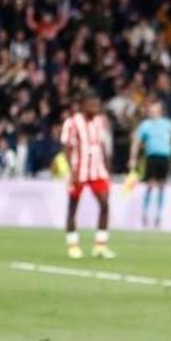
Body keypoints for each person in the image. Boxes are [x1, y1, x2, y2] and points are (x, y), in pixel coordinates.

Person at [60, 93, 115, 259]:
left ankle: (100, 245)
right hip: (79, 171)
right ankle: (73, 245)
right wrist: (71, 172)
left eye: (97, 105)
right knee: (73, 206)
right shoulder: (72, 123)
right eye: (92, 105)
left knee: (105, 204)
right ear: (83, 104)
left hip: (97, 170)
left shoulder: (100, 122)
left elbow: (103, 145)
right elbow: (67, 149)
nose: (95, 108)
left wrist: (107, 167)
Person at [128, 100, 171, 229]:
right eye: (151, 110)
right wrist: (133, 157)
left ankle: (159, 216)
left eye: (155, 109)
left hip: (165, 157)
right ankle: (145, 214)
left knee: (162, 186)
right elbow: (137, 142)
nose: (153, 112)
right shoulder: (145, 125)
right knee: (150, 185)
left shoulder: (168, 124)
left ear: (160, 111)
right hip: (151, 157)